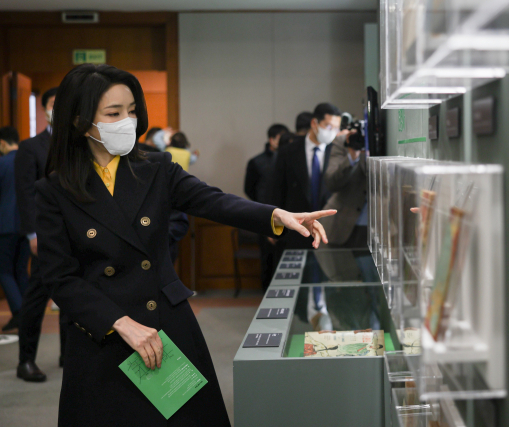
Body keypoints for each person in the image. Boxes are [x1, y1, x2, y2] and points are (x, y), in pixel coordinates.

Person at [35, 63, 335, 426]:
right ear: (80, 122)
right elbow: (59, 277)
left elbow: (214, 201)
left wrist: (276, 215)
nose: (127, 121)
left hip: (166, 326)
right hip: (103, 335)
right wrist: (119, 322)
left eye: (131, 110)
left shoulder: (156, 168)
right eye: (114, 113)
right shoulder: (54, 191)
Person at [14, 86, 67, 381]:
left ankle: (67, 356)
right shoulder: (30, 147)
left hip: (76, 235)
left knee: (72, 299)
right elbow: (25, 194)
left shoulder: (78, 144)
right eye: (53, 104)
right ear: (45, 109)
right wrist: (32, 234)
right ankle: (25, 361)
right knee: (38, 299)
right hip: (45, 236)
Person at [270, 102, 341, 251]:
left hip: (330, 230)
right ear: (314, 123)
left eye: (336, 128)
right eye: (329, 126)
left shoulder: (338, 152)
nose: (333, 132)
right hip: (295, 229)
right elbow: (276, 190)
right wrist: (272, 225)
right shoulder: (288, 151)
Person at [244, 123, 290, 290]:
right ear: (272, 140)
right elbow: (249, 189)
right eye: (280, 138)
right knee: (268, 258)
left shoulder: (289, 160)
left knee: (287, 258)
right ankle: (267, 295)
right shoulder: (257, 162)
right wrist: (262, 207)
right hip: (266, 215)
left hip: (289, 215)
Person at [0, 127, 30, 332]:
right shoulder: (29, 160)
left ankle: (19, 312)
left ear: (2, 143)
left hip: (5, 225)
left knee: (4, 271)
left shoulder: (2, 163)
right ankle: (28, 313)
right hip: (27, 225)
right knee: (21, 270)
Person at [317, 131, 368, 248]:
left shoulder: (388, 138)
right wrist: (352, 157)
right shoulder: (345, 141)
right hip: (341, 224)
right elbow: (331, 183)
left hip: (381, 226)